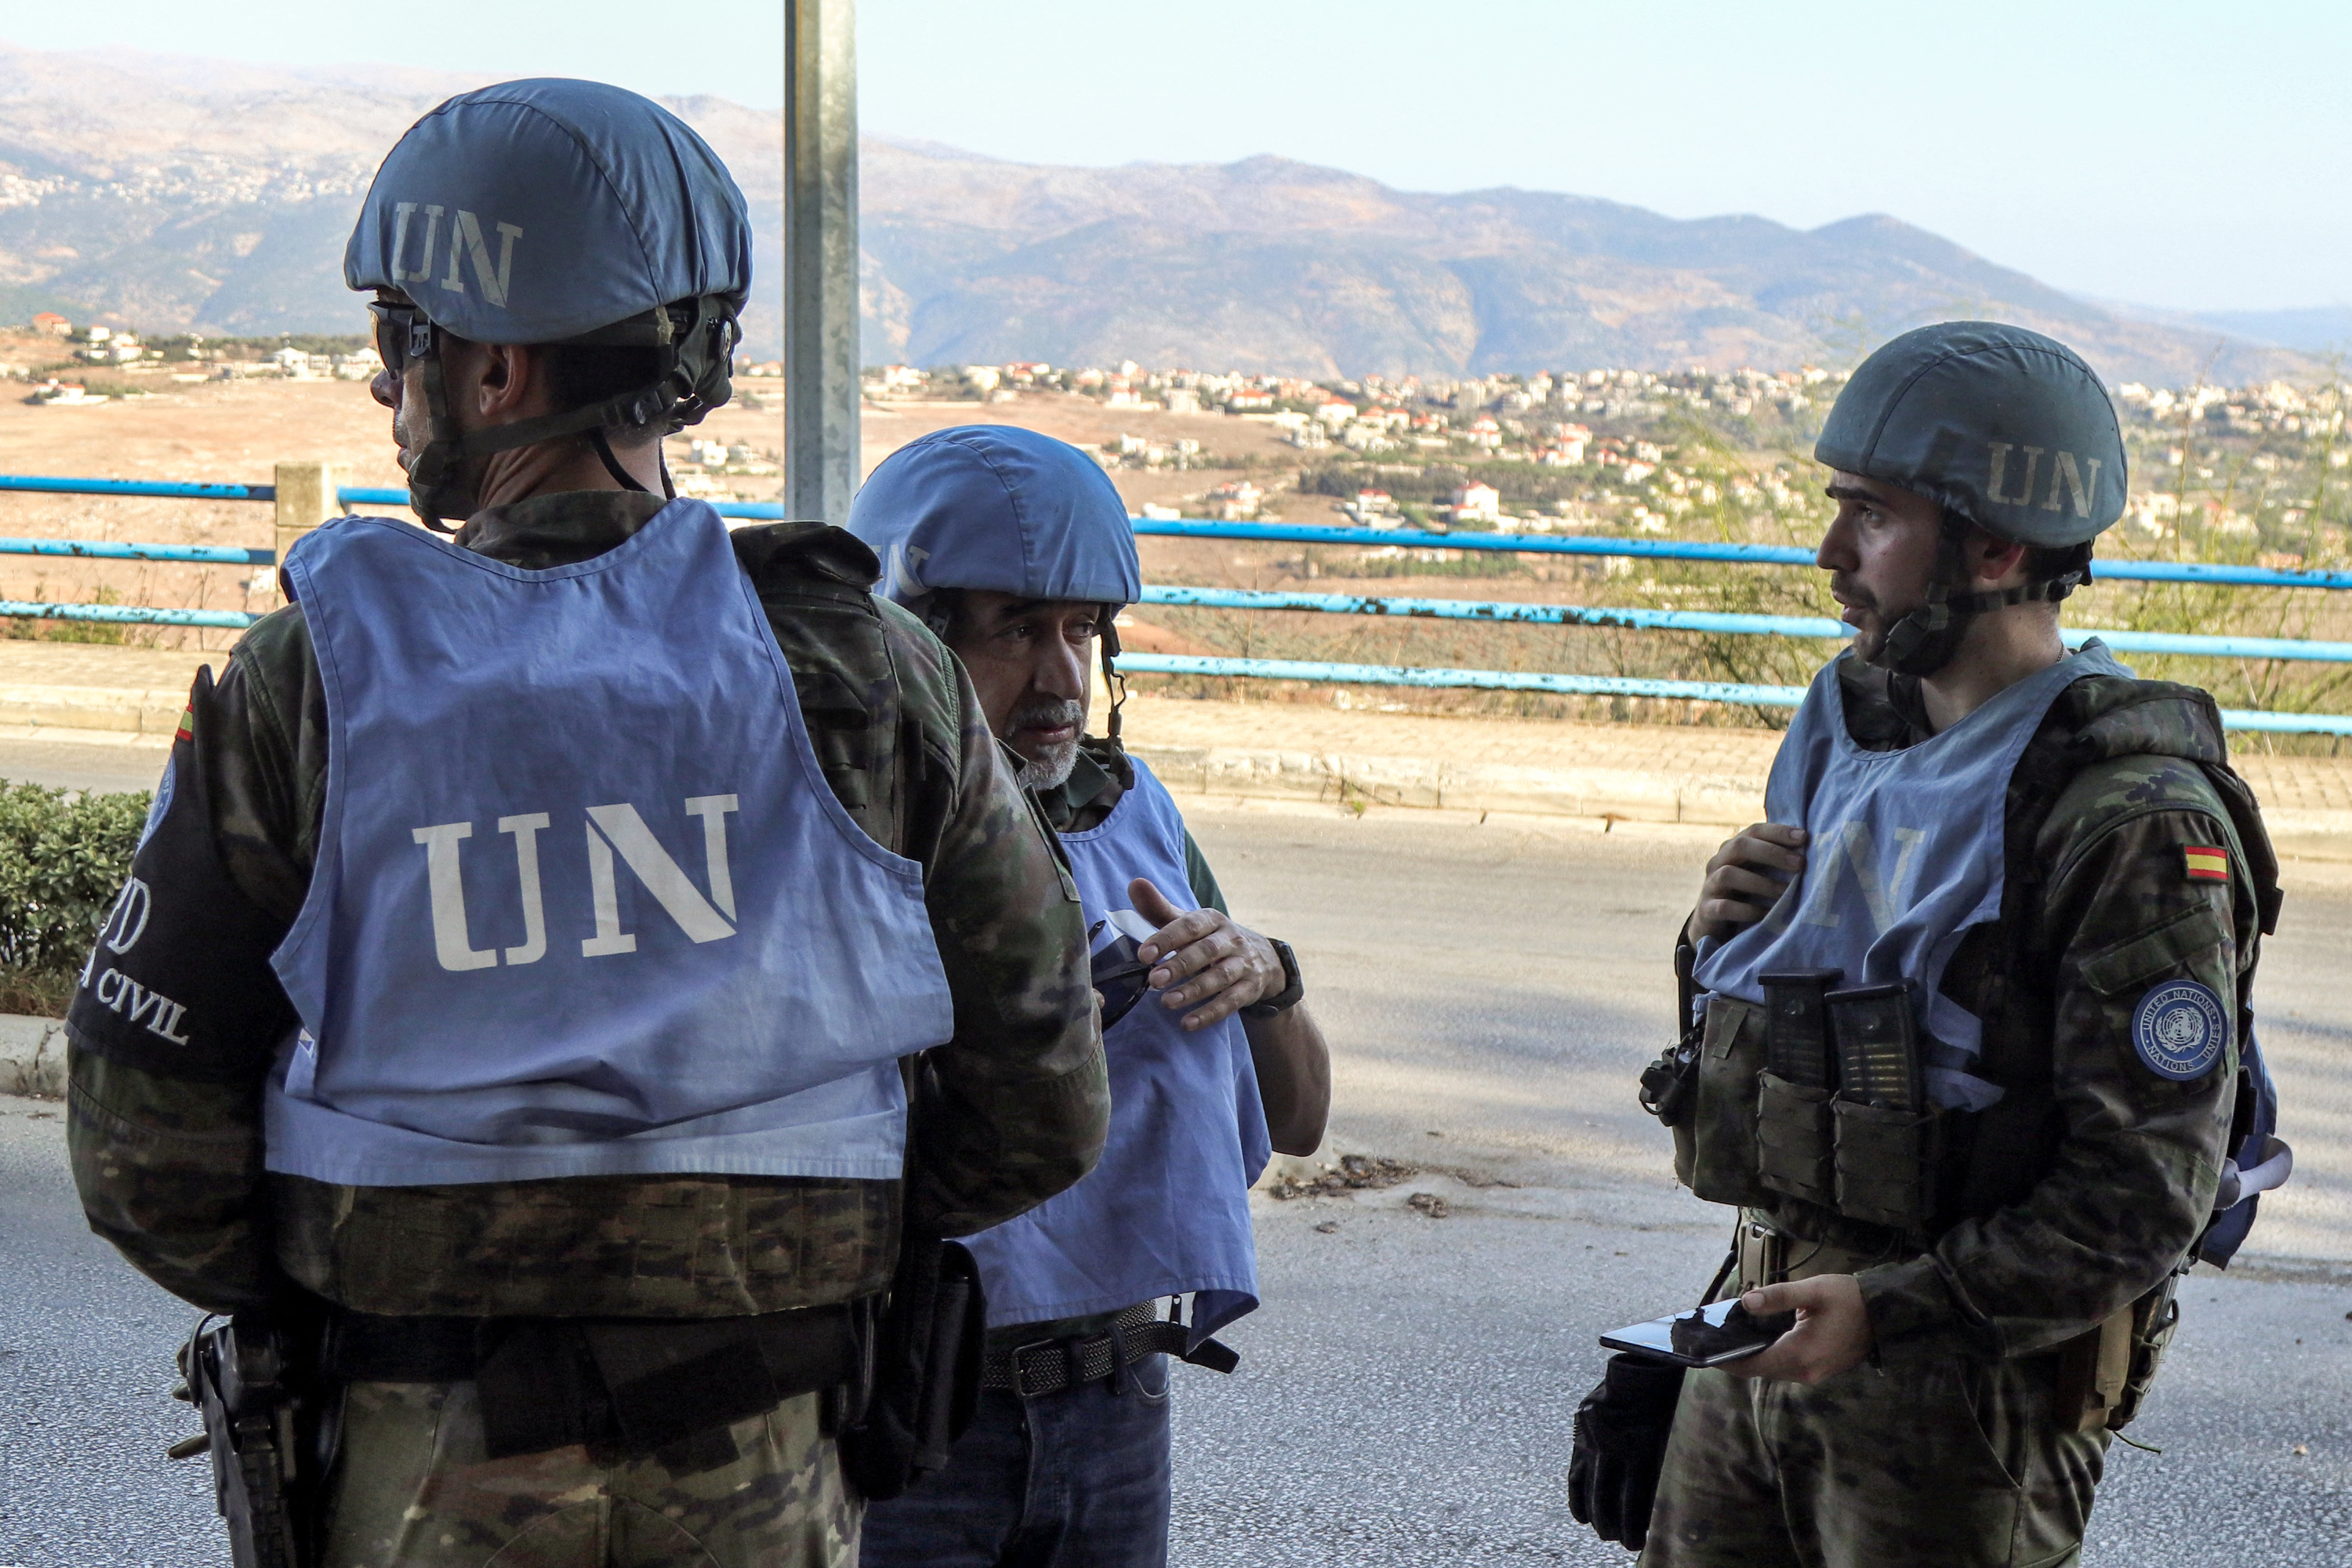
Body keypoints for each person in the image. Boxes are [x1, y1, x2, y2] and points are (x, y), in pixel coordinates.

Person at [64, 82, 1106, 1568]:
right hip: (780, 1461)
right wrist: (782, 1254)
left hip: (420, 1462)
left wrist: (370, 1293)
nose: (385, 387)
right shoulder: (874, 673)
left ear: (490, 370)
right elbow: (1044, 1097)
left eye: (397, 342)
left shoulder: (313, 681)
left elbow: (141, 1153)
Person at [1567, 321, 2287, 1566]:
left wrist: (1893, 1311)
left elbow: (2140, 1202)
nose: (1831, 554)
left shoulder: (2127, 819)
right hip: (1763, 1330)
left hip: (1963, 1396)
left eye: (1873, 516)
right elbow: (1816, 1074)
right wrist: (1716, 941)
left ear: (1998, 547)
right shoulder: (1858, 733)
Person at [843, 426, 1333, 1568]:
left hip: (1116, 1405)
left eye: (1080, 630)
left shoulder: (1130, 814)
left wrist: (1267, 974)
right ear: (913, 644)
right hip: (914, 1410)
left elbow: (1301, 1120)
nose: (1062, 677)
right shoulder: (850, 834)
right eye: (1017, 630)